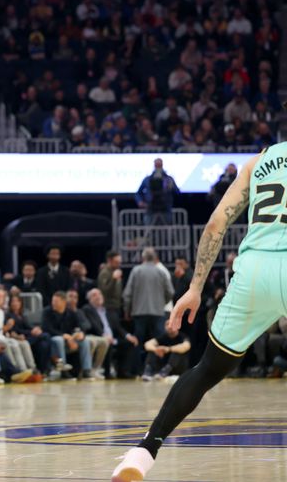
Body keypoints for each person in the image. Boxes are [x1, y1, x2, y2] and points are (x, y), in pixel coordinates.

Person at [111, 147, 274, 480]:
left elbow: (217, 222)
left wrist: (195, 287)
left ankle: (144, 452)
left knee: (207, 370)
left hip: (257, 271)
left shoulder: (260, 161)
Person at [135, 158, 180, 226]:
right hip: (150, 208)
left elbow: (178, 192)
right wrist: (140, 202)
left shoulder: (169, 179)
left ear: (162, 165)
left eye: (160, 165)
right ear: (154, 166)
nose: (158, 167)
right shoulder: (147, 179)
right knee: (149, 228)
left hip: (165, 208)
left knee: (167, 230)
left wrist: (172, 186)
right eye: (157, 165)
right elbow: (138, 193)